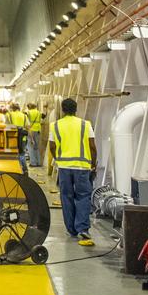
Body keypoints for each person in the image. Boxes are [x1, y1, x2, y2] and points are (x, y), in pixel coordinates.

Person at [48, 97, 98, 246]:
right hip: (82, 167)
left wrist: (58, 159)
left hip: (64, 167)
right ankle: (82, 228)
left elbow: (52, 146)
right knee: (83, 196)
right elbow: (92, 146)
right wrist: (93, 164)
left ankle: (71, 229)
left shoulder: (55, 125)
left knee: (66, 196)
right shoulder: (85, 124)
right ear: (76, 110)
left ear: (63, 110)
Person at [7, 103, 29, 175]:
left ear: (12, 108)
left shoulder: (9, 115)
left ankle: (14, 170)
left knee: (13, 154)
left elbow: (6, 126)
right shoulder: (24, 116)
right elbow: (28, 126)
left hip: (12, 137)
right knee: (22, 154)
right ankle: (24, 170)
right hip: (23, 138)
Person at [26, 102, 44, 167]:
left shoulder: (28, 112)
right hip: (38, 130)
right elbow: (43, 118)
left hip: (31, 130)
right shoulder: (39, 112)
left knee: (30, 147)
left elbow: (27, 122)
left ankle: (33, 163)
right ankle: (39, 162)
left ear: (29, 107)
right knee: (37, 147)